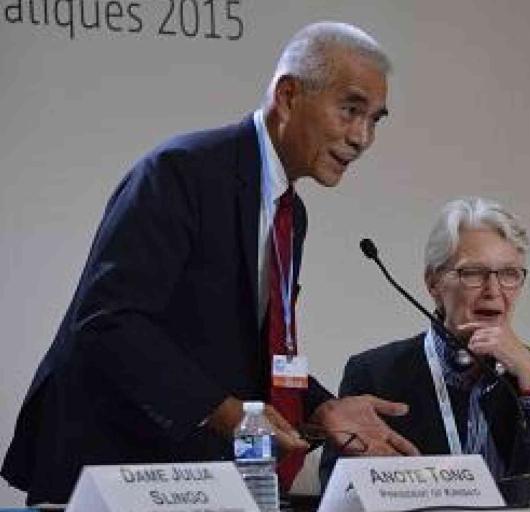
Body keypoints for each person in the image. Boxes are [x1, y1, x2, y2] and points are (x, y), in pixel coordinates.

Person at [1, 21, 419, 505]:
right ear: (288, 96)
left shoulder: (291, 213)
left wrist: (323, 407)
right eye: (350, 110)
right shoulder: (182, 171)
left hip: (194, 476)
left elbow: (249, 347)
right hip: (111, 464)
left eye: (375, 119)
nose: (362, 137)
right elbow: (110, 320)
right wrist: (226, 413)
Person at [320, 197, 530, 489]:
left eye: (509, 274)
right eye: (473, 273)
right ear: (433, 283)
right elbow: (338, 492)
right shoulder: (375, 373)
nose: (493, 291)